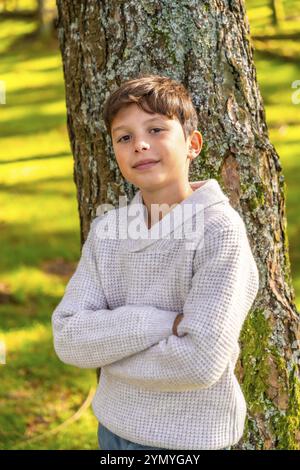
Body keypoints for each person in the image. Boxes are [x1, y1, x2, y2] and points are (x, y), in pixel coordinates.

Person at [51, 74, 259, 451]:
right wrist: (162, 323)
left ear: (192, 144)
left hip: (189, 442)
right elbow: (68, 337)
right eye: (124, 137)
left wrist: (109, 353)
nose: (140, 144)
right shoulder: (108, 230)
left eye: (156, 129)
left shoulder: (218, 230)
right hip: (112, 429)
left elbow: (200, 361)